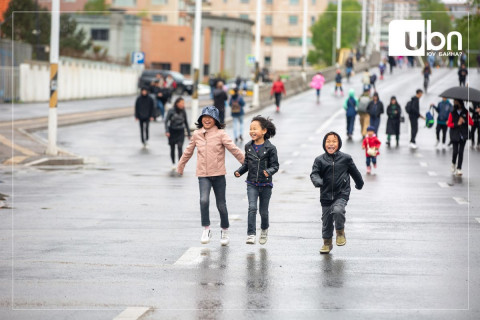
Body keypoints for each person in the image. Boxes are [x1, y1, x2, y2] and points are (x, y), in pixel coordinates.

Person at [177, 106, 244, 245]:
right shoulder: (197, 134)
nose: (207, 120)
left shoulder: (221, 134)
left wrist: (247, 163)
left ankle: (225, 230)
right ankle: (206, 229)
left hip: (219, 174)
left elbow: (234, 149)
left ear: (215, 120)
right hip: (203, 175)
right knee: (203, 200)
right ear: (201, 119)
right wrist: (181, 165)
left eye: (210, 117)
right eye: (204, 117)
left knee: (221, 205)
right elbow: (188, 151)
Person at [310, 132, 364, 254]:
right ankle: (327, 243)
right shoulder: (319, 160)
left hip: (342, 192)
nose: (331, 144)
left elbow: (355, 172)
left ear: (338, 143)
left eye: (334, 141)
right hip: (325, 195)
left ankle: (340, 232)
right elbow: (314, 173)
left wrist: (359, 184)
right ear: (324, 144)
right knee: (327, 221)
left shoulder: (346, 158)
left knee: (338, 210)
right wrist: (318, 181)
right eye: (328, 141)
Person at [235, 116, 279, 245]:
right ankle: (251, 234)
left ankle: (264, 229)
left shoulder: (271, 148)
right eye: (250, 129)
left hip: (266, 184)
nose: (252, 131)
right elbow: (247, 164)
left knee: (263, 212)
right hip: (252, 183)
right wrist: (239, 171)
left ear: (264, 131)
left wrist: (268, 172)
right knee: (252, 208)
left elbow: (275, 166)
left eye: (255, 129)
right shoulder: (248, 146)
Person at [447, 99, 473, 176]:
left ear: (460, 103)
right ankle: (453, 163)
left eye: (456, 102)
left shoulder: (466, 112)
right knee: (455, 151)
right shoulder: (452, 113)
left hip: (463, 135)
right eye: (454, 102)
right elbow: (449, 124)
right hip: (454, 134)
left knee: (461, 152)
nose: (455, 103)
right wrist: (457, 123)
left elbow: (471, 123)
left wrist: (464, 121)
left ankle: (459, 169)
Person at [165, 97, 191, 170]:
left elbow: (186, 122)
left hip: (180, 131)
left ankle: (180, 164)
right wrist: (167, 131)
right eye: (181, 103)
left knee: (180, 147)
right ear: (177, 103)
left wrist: (189, 134)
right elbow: (166, 121)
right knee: (172, 147)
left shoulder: (183, 111)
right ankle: (173, 163)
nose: (183, 105)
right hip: (172, 131)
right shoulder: (171, 111)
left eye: (183, 103)